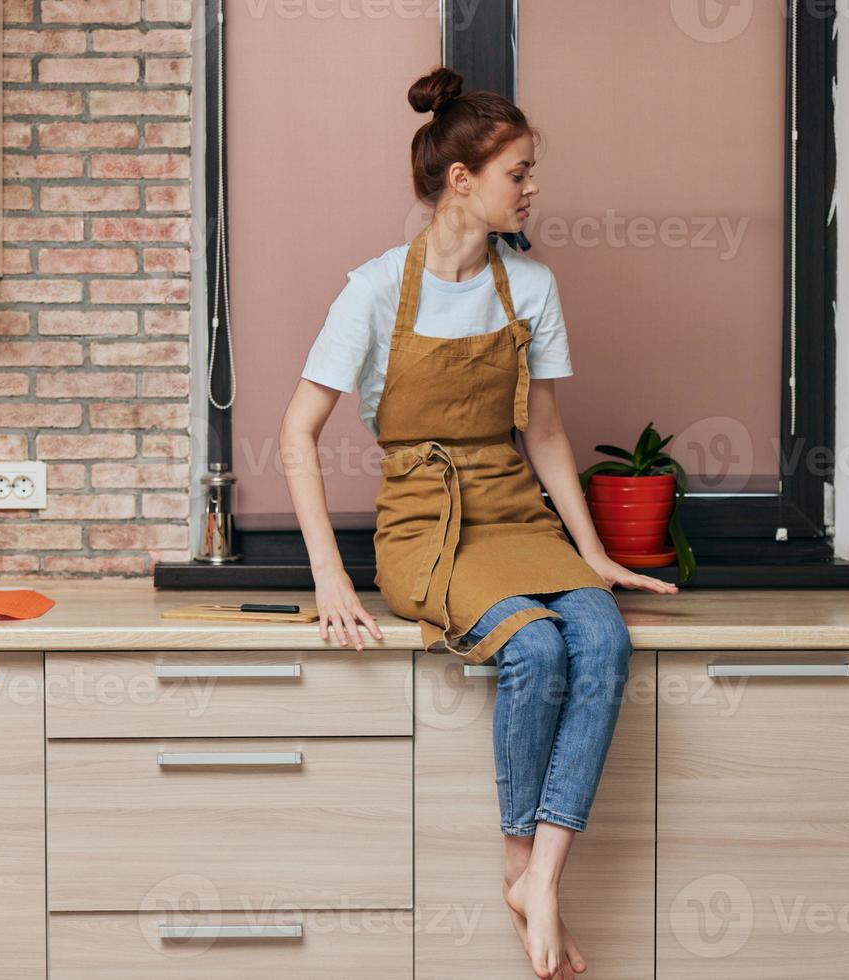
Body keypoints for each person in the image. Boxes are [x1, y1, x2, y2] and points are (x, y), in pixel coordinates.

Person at [279, 66, 678, 980]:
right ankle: (518, 866)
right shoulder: (375, 290)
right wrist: (331, 581)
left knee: (602, 639)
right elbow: (296, 435)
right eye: (519, 173)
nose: (533, 189)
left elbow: (540, 430)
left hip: (514, 511)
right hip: (426, 527)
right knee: (535, 649)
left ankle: (542, 875)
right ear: (460, 179)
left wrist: (591, 553)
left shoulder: (529, 287)